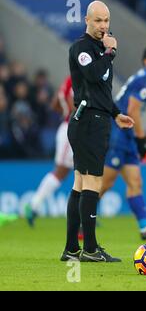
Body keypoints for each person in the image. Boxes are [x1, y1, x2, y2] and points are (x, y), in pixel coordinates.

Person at [62, 0, 134, 263]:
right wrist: (109, 53)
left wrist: (116, 113)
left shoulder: (98, 48)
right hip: (89, 122)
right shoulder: (83, 48)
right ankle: (90, 249)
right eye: (98, 20)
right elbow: (94, 75)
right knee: (92, 182)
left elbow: (100, 90)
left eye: (106, 20)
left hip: (95, 118)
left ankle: (71, 249)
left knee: (80, 184)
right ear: (87, 20)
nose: (104, 26)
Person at [100, 46, 146, 240]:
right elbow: (132, 111)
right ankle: (80, 222)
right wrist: (142, 139)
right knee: (104, 183)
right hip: (119, 134)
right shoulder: (144, 80)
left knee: (135, 182)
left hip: (127, 136)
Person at [24, 75, 74, 227]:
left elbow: (54, 104)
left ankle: (82, 214)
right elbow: (74, 106)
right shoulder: (78, 78)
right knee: (61, 172)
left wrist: (65, 110)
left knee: (80, 172)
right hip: (72, 130)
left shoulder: (69, 79)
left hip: (73, 129)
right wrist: (68, 113)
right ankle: (34, 206)